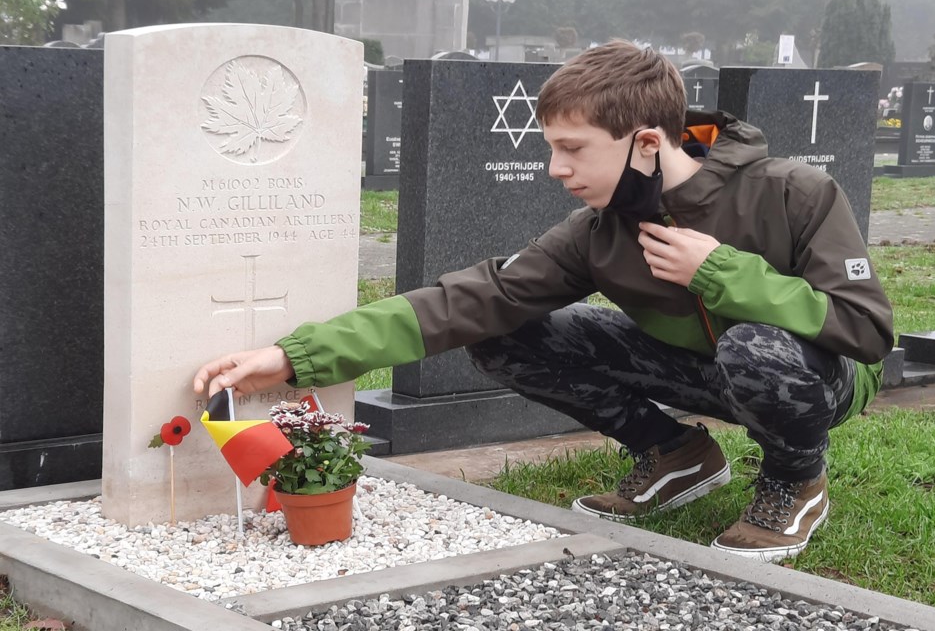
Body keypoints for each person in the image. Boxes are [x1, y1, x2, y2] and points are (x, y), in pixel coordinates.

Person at [194, 40, 893, 563]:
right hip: (702, 370)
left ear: (646, 142)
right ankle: (674, 453)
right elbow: (474, 297)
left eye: (572, 149)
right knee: (504, 331)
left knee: (755, 346)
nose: (555, 169)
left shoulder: (792, 191)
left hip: (815, 376)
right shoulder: (598, 232)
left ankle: (793, 480)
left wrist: (726, 274)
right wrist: (293, 356)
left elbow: (866, 330)